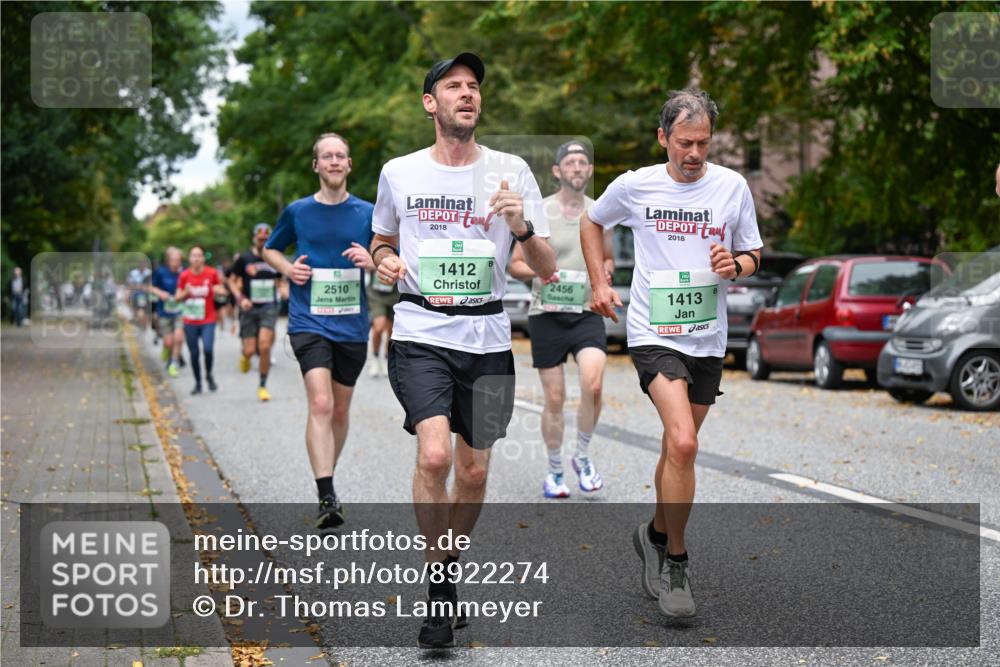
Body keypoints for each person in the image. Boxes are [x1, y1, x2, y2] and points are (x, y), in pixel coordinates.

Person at [370, 52, 556, 649]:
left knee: (473, 471)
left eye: (474, 86)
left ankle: (446, 569)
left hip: (490, 336)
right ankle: (438, 590)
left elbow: (546, 269)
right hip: (421, 331)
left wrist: (523, 226)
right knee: (433, 458)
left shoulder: (513, 171)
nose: (466, 94)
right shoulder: (399, 172)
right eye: (453, 86)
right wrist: (385, 260)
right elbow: (380, 240)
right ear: (431, 102)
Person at [581, 88, 762, 618]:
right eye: (685, 142)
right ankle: (676, 561)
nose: (695, 153)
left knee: (675, 449)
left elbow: (753, 252)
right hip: (653, 332)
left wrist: (737, 266)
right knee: (683, 442)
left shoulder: (732, 187)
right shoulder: (636, 186)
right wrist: (598, 280)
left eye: (704, 142)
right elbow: (593, 222)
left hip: (707, 337)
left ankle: (656, 532)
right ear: (663, 138)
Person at [262, 132, 375, 531]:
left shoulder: (368, 212)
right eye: (326, 156)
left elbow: (387, 253)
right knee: (322, 403)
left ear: (348, 165)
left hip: (352, 325)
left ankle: (328, 476)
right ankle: (326, 493)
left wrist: (372, 260)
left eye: (340, 155)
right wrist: (288, 268)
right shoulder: (297, 211)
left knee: (340, 409)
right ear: (316, 165)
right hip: (308, 320)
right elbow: (270, 249)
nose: (333, 161)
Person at [509, 140, 615, 499]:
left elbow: (609, 259)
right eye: (569, 163)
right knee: (554, 398)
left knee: (594, 383)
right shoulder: (541, 211)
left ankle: (582, 456)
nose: (576, 168)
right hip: (547, 313)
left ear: (589, 172)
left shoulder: (600, 211)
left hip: (586, 311)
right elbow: (515, 263)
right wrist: (541, 274)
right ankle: (554, 470)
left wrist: (606, 275)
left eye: (583, 163)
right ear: (557, 171)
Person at [230, 223, 285, 401]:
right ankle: (245, 357)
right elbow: (232, 281)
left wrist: (284, 290)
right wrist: (240, 299)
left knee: (264, 345)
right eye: (260, 239)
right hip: (249, 306)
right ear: (255, 238)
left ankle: (262, 385)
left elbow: (280, 281)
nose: (263, 241)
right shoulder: (244, 258)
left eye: (266, 239)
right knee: (249, 350)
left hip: (269, 306)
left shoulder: (275, 258)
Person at [176, 246, 227, 395]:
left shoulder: (211, 273)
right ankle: (198, 383)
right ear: (190, 259)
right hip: (190, 321)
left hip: (208, 319)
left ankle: (209, 375)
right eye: (193, 256)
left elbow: (223, 291)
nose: (196, 258)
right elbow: (177, 297)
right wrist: (186, 291)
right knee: (194, 353)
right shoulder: (184, 275)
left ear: (203, 258)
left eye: (199, 255)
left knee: (208, 349)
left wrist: (219, 290)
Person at [151, 247, 186, 377]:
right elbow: (151, 287)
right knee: (169, 341)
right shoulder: (160, 272)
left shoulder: (184, 272)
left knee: (178, 338)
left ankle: (173, 363)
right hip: (164, 311)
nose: (176, 262)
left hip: (180, 311)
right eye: (173, 259)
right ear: (168, 260)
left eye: (178, 259)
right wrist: (161, 293)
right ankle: (167, 349)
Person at [365, 263, 397, 377]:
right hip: (376, 293)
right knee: (379, 326)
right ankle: (375, 357)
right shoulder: (374, 244)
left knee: (391, 331)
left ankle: (386, 358)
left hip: (395, 293)